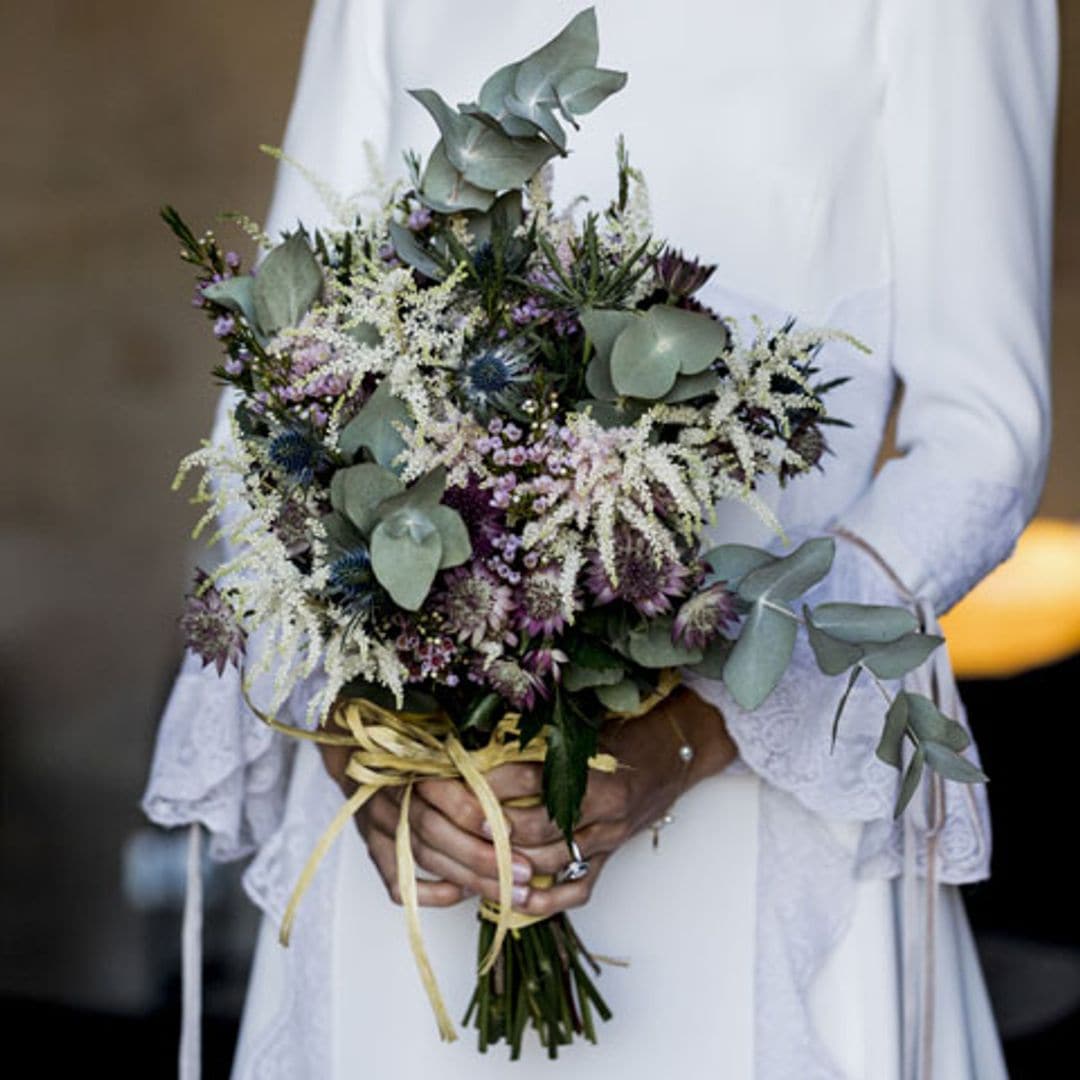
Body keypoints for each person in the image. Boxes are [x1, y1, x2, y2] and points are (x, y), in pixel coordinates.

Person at [141, 1, 1059, 1076]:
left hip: (750, 821)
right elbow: (275, 388)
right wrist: (368, 749)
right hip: (419, 832)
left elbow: (983, 436)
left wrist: (694, 736)